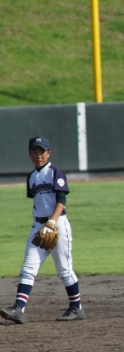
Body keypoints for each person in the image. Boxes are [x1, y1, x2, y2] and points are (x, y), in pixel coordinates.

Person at [0, 136, 84, 324]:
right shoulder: (31, 177)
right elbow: (38, 203)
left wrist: (52, 222)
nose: (38, 155)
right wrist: (41, 224)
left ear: (48, 153)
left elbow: (61, 201)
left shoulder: (55, 172)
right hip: (38, 226)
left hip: (57, 224)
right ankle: (18, 309)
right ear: (30, 154)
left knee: (64, 270)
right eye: (35, 152)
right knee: (27, 268)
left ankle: (76, 307)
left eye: (42, 152)